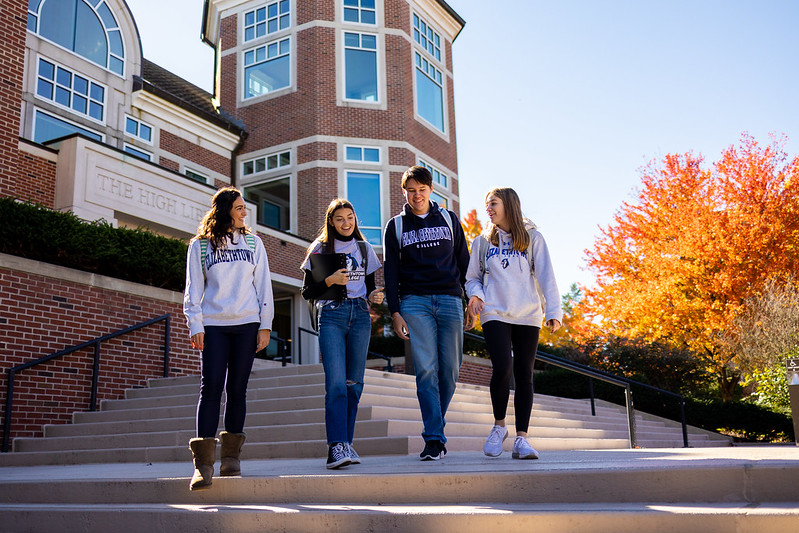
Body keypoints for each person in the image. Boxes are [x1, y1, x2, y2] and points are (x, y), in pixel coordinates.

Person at [183, 187, 274, 490]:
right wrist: (195, 323)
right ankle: (203, 466)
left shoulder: (253, 242)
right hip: (214, 326)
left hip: (247, 324)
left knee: (237, 390)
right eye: (238, 208)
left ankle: (231, 459)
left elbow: (263, 287)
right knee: (210, 389)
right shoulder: (200, 246)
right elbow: (193, 289)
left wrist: (265, 325)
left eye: (243, 207)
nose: (244, 212)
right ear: (224, 210)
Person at [464, 187, 562, 460]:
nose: (488, 209)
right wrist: (476, 295)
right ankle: (499, 427)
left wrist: (554, 310)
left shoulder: (533, 238)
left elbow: (546, 276)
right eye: (486, 205)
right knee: (502, 367)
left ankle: (522, 438)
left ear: (509, 205)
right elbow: (472, 278)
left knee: (524, 373)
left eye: (493, 203)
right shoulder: (482, 241)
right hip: (494, 311)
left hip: (528, 314)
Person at [383, 165, 470, 461]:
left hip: (449, 299)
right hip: (414, 302)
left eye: (422, 189)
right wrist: (395, 311)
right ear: (404, 191)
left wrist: (470, 299)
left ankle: (436, 424)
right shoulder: (395, 226)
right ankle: (433, 438)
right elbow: (391, 272)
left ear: (431, 190)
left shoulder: (449, 218)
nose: (416, 195)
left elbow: (464, 261)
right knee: (426, 369)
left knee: (450, 369)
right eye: (411, 190)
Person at [301, 199, 383, 469]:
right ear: (331, 221)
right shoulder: (321, 248)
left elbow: (369, 288)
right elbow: (307, 292)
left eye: (350, 217)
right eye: (340, 218)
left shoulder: (363, 248)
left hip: (359, 315)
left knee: (354, 385)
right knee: (336, 383)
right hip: (332, 316)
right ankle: (335, 446)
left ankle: (346, 443)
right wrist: (329, 280)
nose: (346, 223)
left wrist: (375, 296)